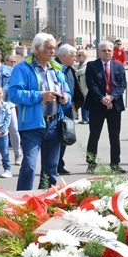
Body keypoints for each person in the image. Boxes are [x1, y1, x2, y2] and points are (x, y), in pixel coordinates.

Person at [7, 33, 72, 191]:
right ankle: (24, 199)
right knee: (29, 165)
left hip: (55, 123)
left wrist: (65, 97)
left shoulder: (56, 69)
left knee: (51, 167)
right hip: (32, 125)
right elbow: (14, 94)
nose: (53, 52)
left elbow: (68, 92)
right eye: (49, 48)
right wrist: (40, 96)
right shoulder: (22, 68)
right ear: (37, 48)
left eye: (54, 48)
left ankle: (46, 198)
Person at [84, 40, 127, 173]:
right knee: (94, 135)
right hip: (97, 105)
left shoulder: (118, 66)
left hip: (114, 106)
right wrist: (102, 98)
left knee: (114, 136)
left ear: (112, 52)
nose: (107, 53)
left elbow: (122, 84)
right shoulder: (92, 65)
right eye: (104, 50)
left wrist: (111, 97)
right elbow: (91, 84)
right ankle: (91, 164)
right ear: (99, 52)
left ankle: (115, 164)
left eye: (109, 50)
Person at [54, 45, 79, 176]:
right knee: (55, 139)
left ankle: (60, 165)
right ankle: (54, 166)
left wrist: (75, 101)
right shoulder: (54, 68)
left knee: (65, 136)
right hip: (56, 109)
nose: (75, 58)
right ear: (64, 56)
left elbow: (74, 87)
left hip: (68, 108)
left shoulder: (70, 69)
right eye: (73, 56)